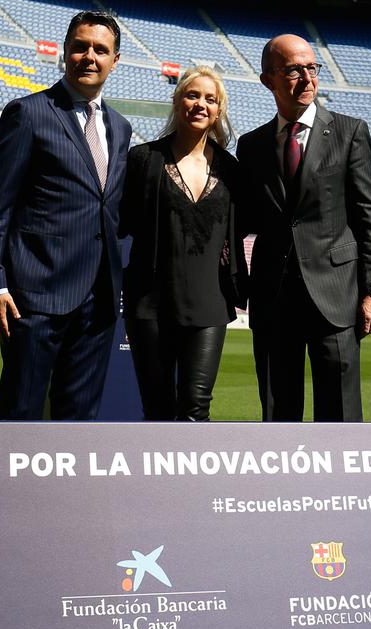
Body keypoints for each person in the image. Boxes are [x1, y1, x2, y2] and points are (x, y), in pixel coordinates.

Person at [0, 11, 132, 420]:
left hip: (99, 301)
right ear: (65, 51)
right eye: (80, 47)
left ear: (115, 61)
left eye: (101, 50)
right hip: (36, 296)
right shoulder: (28, 113)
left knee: (79, 420)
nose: (89, 56)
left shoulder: (121, 127)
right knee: (20, 412)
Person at [237, 34, 371, 422]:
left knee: (340, 418)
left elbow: (369, 218)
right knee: (278, 417)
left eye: (312, 67)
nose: (307, 78)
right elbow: (243, 219)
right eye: (293, 70)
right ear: (268, 80)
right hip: (272, 298)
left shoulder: (350, 132)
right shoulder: (250, 145)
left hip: (336, 296)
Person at [120, 67, 248, 421]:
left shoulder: (232, 170)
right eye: (192, 95)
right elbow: (122, 221)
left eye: (210, 99)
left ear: (218, 111)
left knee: (196, 410)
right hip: (150, 305)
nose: (200, 104)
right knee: (157, 410)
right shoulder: (142, 159)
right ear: (177, 103)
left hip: (210, 306)